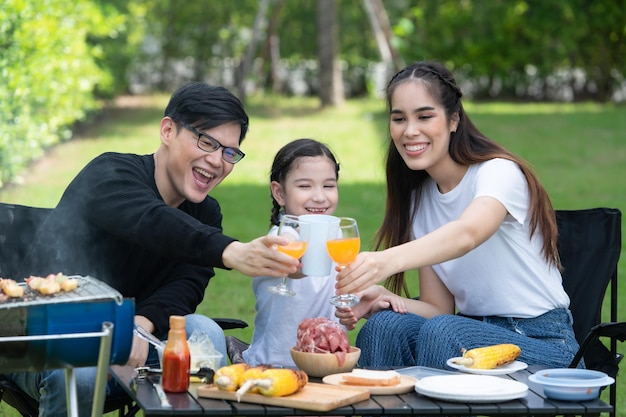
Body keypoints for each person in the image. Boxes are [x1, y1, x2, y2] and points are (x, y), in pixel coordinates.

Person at [5, 82, 300, 417]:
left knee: (205, 333)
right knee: (84, 372)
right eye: (206, 141)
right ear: (168, 130)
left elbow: (186, 285)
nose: (216, 161)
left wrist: (139, 325)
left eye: (229, 152)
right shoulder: (110, 174)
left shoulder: (205, 213)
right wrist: (228, 251)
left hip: (136, 345)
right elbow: (152, 220)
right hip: (44, 340)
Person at [334, 61, 580, 370]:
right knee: (384, 327)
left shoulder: (498, 173)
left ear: (453, 120)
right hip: (468, 332)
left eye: (425, 116)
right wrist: (383, 296)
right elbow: (438, 308)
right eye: (399, 118)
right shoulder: (420, 199)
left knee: (446, 332)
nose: (410, 131)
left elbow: (467, 234)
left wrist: (384, 261)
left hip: (543, 342)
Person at [242, 138, 343, 367]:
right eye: (305, 186)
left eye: (328, 185)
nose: (319, 196)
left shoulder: (337, 236)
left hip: (327, 363)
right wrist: (295, 256)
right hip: (275, 364)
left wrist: (373, 297)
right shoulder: (281, 236)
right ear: (279, 193)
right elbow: (290, 259)